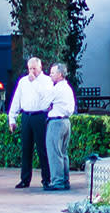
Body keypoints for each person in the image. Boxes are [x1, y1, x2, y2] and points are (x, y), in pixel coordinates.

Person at [8, 57, 52, 188]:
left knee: (42, 149)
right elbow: (16, 100)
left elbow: (46, 98)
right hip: (26, 115)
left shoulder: (46, 81)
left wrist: (35, 83)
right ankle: (25, 179)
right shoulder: (23, 81)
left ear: (40, 68)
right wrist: (12, 118)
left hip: (40, 115)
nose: (32, 71)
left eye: (34, 68)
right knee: (26, 149)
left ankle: (46, 179)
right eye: (30, 68)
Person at [43, 63, 76, 191]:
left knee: (54, 152)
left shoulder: (56, 89)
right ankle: (65, 180)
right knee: (63, 152)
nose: (50, 75)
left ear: (60, 74)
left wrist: (49, 107)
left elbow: (44, 103)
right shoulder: (68, 88)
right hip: (66, 121)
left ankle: (57, 181)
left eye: (52, 73)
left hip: (56, 122)